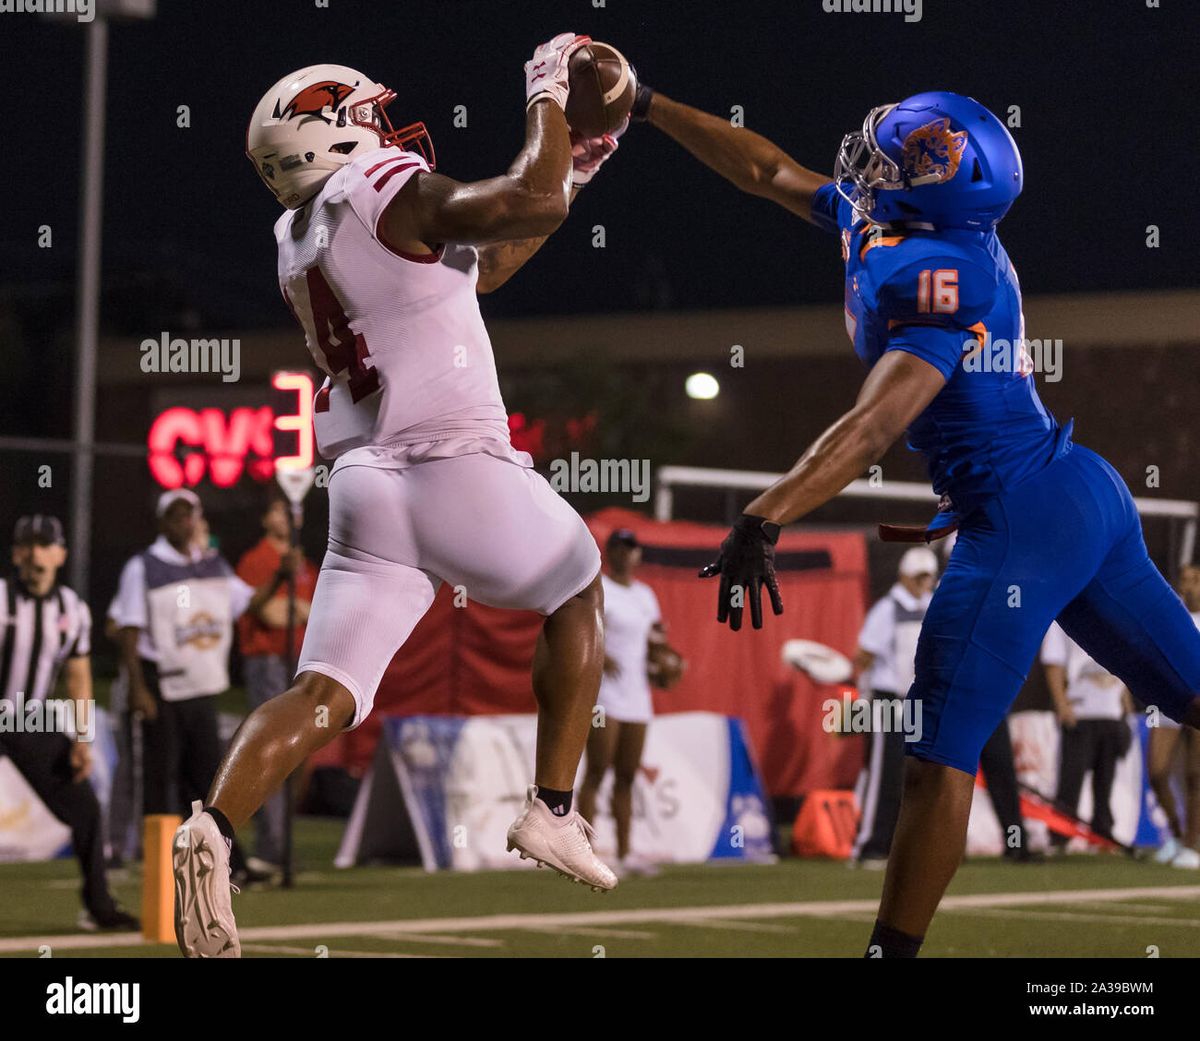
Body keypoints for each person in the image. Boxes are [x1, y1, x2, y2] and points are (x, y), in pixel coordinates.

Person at [631, 82, 1200, 957]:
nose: (868, 165)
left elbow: (875, 425)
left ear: (934, 184)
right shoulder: (912, 232)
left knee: (937, 755)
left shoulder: (943, 275)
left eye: (892, 157)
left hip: (1018, 515)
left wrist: (767, 513)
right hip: (1079, 490)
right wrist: (648, 105)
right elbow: (769, 169)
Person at [173, 35, 627, 957]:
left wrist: (571, 173)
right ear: (331, 134)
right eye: (366, 117)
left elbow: (484, 262)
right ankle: (551, 807)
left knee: (323, 688)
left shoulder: (298, 234)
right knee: (577, 587)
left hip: (365, 487)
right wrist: (546, 93)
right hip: (448, 459)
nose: (385, 127)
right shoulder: (379, 188)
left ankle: (210, 829)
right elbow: (519, 199)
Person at [110, 490, 293, 884]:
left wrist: (279, 575)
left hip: (201, 687)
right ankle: (159, 862)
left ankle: (226, 860)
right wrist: (139, 689)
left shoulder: (212, 564)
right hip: (161, 687)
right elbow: (128, 630)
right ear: (163, 523)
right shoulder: (144, 567)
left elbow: (247, 603)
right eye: (176, 516)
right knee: (162, 779)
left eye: (190, 515)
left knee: (209, 778)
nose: (185, 523)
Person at [0, 515, 137, 931]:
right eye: (29, 545)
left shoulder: (72, 610)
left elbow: (78, 676)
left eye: (45, 545)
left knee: (85, 808)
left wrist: (82, 739)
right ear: (16, 554)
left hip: (29, 716)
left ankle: (99, 905)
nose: (36, 554)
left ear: (60, 554)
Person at [235, 485, 317, 873]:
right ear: (267, 517)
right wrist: (295, 609)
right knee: (271, 749)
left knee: (297, 754)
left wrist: (294, 608)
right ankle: (269, 848)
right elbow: (268, 615)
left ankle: (280, 846)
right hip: (269, 660)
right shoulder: (257, 559)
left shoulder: (304, 564)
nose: (286, 518)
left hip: (300, 660)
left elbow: (315, 610)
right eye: (278, 511)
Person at [579, 530, 665, 876]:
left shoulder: (645, 595)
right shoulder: (599, 586)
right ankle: (584, 851)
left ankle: (626, 852)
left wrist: (666, 663)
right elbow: (580, 630)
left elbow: (656, 639)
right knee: (597, 770)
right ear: (608, 551)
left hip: (636, 694)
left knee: (627, 775)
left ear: (638, 555)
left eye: (631, 548)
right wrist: (600, 655)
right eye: (619, 547)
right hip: (603, 695)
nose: (625, 554)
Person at [851, 547, 936, 867]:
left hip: (917, 701)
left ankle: (907, 845)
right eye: (917, 577)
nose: (922, 583)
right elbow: (864, 654)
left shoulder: (931, 608)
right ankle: (871, 845)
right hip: (888, 699)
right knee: (884, 775)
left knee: (916, 773)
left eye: (927, 577)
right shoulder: (887, 609)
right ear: (903, 576)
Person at [1041, 621, 1132, 851]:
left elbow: (1125, 664)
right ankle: (1059, 836)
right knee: (1071, 778)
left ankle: (1103, 836)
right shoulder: (1063, 616)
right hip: (1080, 710)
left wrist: (1125, 704)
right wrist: (1061, 703)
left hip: (1111, 711)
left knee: (1106, 780)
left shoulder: (1114, 616)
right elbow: (1054, 661)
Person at [1146, 565, 1200, 868]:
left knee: (1196, 775)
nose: (1189, 586)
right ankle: (1177, 837)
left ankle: (1193, 847)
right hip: (1170, 700)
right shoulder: (1172, 614)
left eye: (1196, 581)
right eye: (1185, 580)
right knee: (1157, 771)